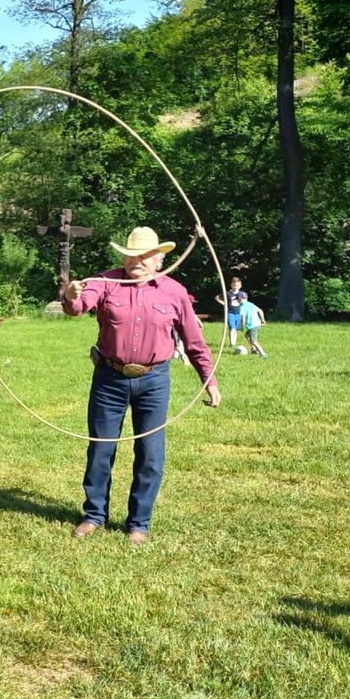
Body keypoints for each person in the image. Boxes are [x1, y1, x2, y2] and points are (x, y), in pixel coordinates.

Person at [63, 226, 221, 545]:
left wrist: (210, 381)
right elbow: (77, 306)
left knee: (151, 454)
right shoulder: (105, 282)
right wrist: (71, 295)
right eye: (131, 254)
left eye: (145, 255)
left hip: (154, 381)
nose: (137, 260)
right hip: (109, 378)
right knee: (100, 449)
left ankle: (139, 523)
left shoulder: (175, 292)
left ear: (159, 260)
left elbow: (194, 341)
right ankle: (94, 515)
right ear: (123, 255)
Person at [216, 276, 244, 350]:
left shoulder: (242, 294)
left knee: (236, 329)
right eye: (234, 285)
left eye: (237, 285)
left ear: (240, 286)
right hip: (230, 313)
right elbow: (217, 298)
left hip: (238, 313)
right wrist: (225, 304)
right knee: (232, 328)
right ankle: (232, 344)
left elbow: (243, 303)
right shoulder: (227, 293)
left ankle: (234, 342)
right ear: (231, 285)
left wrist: (241, 302)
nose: (235, 287)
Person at [237, 292, 268, 358]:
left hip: (252, 326)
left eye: (237, 299)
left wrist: (241, 327)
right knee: (246, 335)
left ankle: (263, 354)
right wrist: (262, 320)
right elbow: (260, 310)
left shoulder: (242, 307)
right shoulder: (251, 304)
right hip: (257, 324)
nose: (237, 301)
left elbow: (243, 319)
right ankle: (254, 349)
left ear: (239, 299)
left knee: (254, 341)